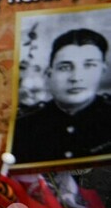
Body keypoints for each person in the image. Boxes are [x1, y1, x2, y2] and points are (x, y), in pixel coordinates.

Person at [13, 28, 111, 163]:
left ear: (103, 71)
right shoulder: (23, 126)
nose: (76, 78)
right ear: (49, 73)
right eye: (65, 67)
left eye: (89, 65)